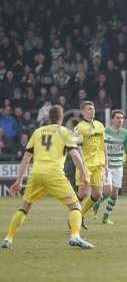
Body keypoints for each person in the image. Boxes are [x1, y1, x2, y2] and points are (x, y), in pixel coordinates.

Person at [1, 105, 93, 249]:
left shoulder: (37, 132)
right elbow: (75, 155)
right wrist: (85, 175)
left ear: (49, 118)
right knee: (75, 207)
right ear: (62, 118)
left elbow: (26, 157)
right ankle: (75, 236)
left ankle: (8, 239)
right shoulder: (64, 132)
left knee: (24, 207)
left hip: (36, 173)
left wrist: (19, 180)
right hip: (54, 174)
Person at [92, 110, 127, 224]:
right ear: (112, 119)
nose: (120, 120)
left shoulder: (125, 133)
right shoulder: (105, 131)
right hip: (107, 165)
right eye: (117, 118)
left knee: (115, 194)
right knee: (108, 191)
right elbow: (99, 146)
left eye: (121, 118)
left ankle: (106, 217)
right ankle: (96, 204)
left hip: (118, 166)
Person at [74, 101, 107, 229]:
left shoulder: (100, 125)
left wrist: (106, 164)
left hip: (98, 164)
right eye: (89, 109)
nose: (92, 111)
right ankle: (74, 217)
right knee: (83, 193)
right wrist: (82, 166)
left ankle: (80, 215)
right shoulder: (79, 127)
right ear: (83, 111)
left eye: (93, 109)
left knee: (97, 194)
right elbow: (78, 148)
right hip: (85, 165)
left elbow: (104, 146)